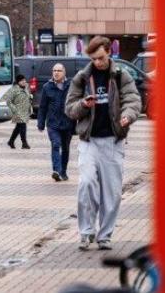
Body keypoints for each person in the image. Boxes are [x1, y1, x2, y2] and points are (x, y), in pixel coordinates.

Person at [65, 36, 141, 251]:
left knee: (112, 192)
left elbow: (133, 100)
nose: (97, 62)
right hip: (89, 141)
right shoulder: (82, 77)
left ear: (109, 52)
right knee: (86, 183)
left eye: (101, 57)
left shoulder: (120, 76)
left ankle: (105, 235)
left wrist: (128, 116)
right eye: (94, 59)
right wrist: (83, 105)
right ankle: (86, 232)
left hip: (113, 141)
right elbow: (69, 107)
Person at [37, 63, 75, 182]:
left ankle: (63, 171)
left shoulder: (71, 85)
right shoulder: (47, 87)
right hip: (53, 123)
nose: (56, 73)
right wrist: (41, 122)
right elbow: (42, 107)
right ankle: (57, 171)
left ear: (64, 72)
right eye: (54, 70)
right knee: (56, 144)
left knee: (66, 148)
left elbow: (77, 102)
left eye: (59, 70)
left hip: (67, 122)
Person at [2, 74, 33, 149]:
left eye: (25, 80)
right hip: (18, 111)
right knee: (23, 126)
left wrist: (30, 97)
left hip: (25, 111)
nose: (24, 82)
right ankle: (24, 143)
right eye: (22, 81)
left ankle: (11, 141)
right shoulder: (14, 89)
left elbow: (28, 96)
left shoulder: (26, 88)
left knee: (18, 127)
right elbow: (8, 101)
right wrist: (14, 109)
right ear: (18, 82)